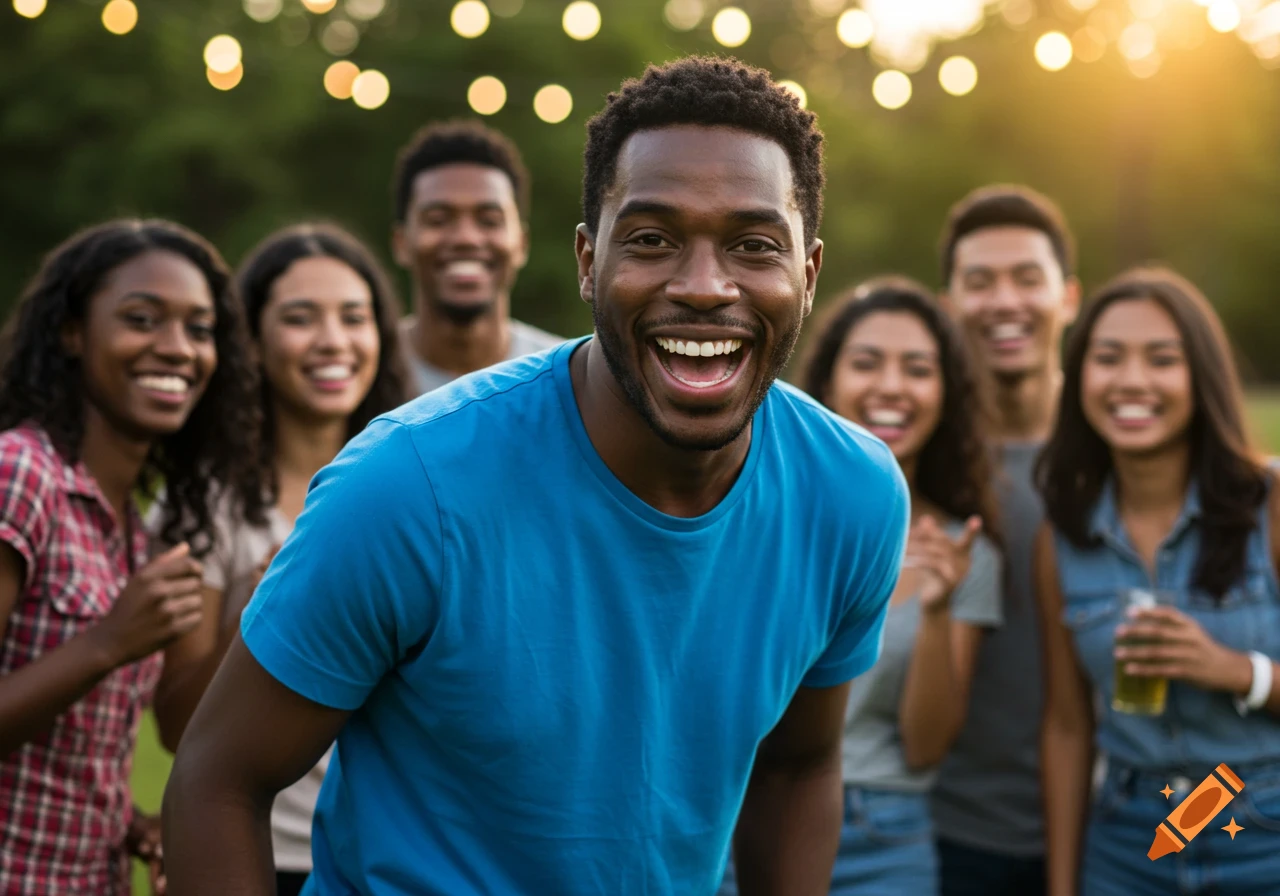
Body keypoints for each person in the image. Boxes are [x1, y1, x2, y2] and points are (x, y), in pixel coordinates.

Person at [161, 55, 911, 896]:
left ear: (807, 274)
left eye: (753, 244)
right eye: (654, 239)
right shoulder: (408, 484)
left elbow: (798, 768)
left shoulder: (853, 494)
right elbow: (217, 778)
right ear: (588, 262)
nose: (705, 287)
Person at [0, 219, 266, 895]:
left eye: (200, 329)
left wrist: (130, 823)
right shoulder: (20, 476)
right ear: (70, 332)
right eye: (142, 319)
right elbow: (98, 653)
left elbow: (71, 757)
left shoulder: (131, 528)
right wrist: (108, 641)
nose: (177, 349)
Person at [720, 276, 1004, 896]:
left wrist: (936, 612)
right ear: (828, 381)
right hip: (743, 817)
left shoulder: (967, 553)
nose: (892, 387)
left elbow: (926, 748)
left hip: (886, 836)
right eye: (868, 363)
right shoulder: (759, 514)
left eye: (918, 369)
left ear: (945, 394)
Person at [153, 223, 409, 896]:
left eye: (354, 318)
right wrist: (257, 613)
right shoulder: (208, 509)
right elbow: (178, 728)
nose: (333, 341)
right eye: (301, 318)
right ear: (254, 342)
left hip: (387, 853)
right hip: (265, 855)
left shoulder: (412, 495)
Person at [1036, 267, 1280, 896]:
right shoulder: (1061, 537)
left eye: (1162, 359)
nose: (1132, 381)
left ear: (1201, 378)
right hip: (1131, 840)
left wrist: (1238, 671)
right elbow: (1067, 726)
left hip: (1262, 826)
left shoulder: (1270, 505)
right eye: (1108, 357)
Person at [930, 184, 1081, 896]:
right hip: (945, 834)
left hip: (1116, 825)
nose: (1004, 302)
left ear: (1069, 296)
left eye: (1027, 278)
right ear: (950, 303)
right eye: (979, 282)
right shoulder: (915, 465)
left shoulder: (1128, 453)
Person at [392, 119, 562, 394]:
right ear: (401, 243)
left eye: (489, 220)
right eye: (438, 220)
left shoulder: (566, 377)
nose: (465, 238)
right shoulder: (361, 373)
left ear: (521, 243)